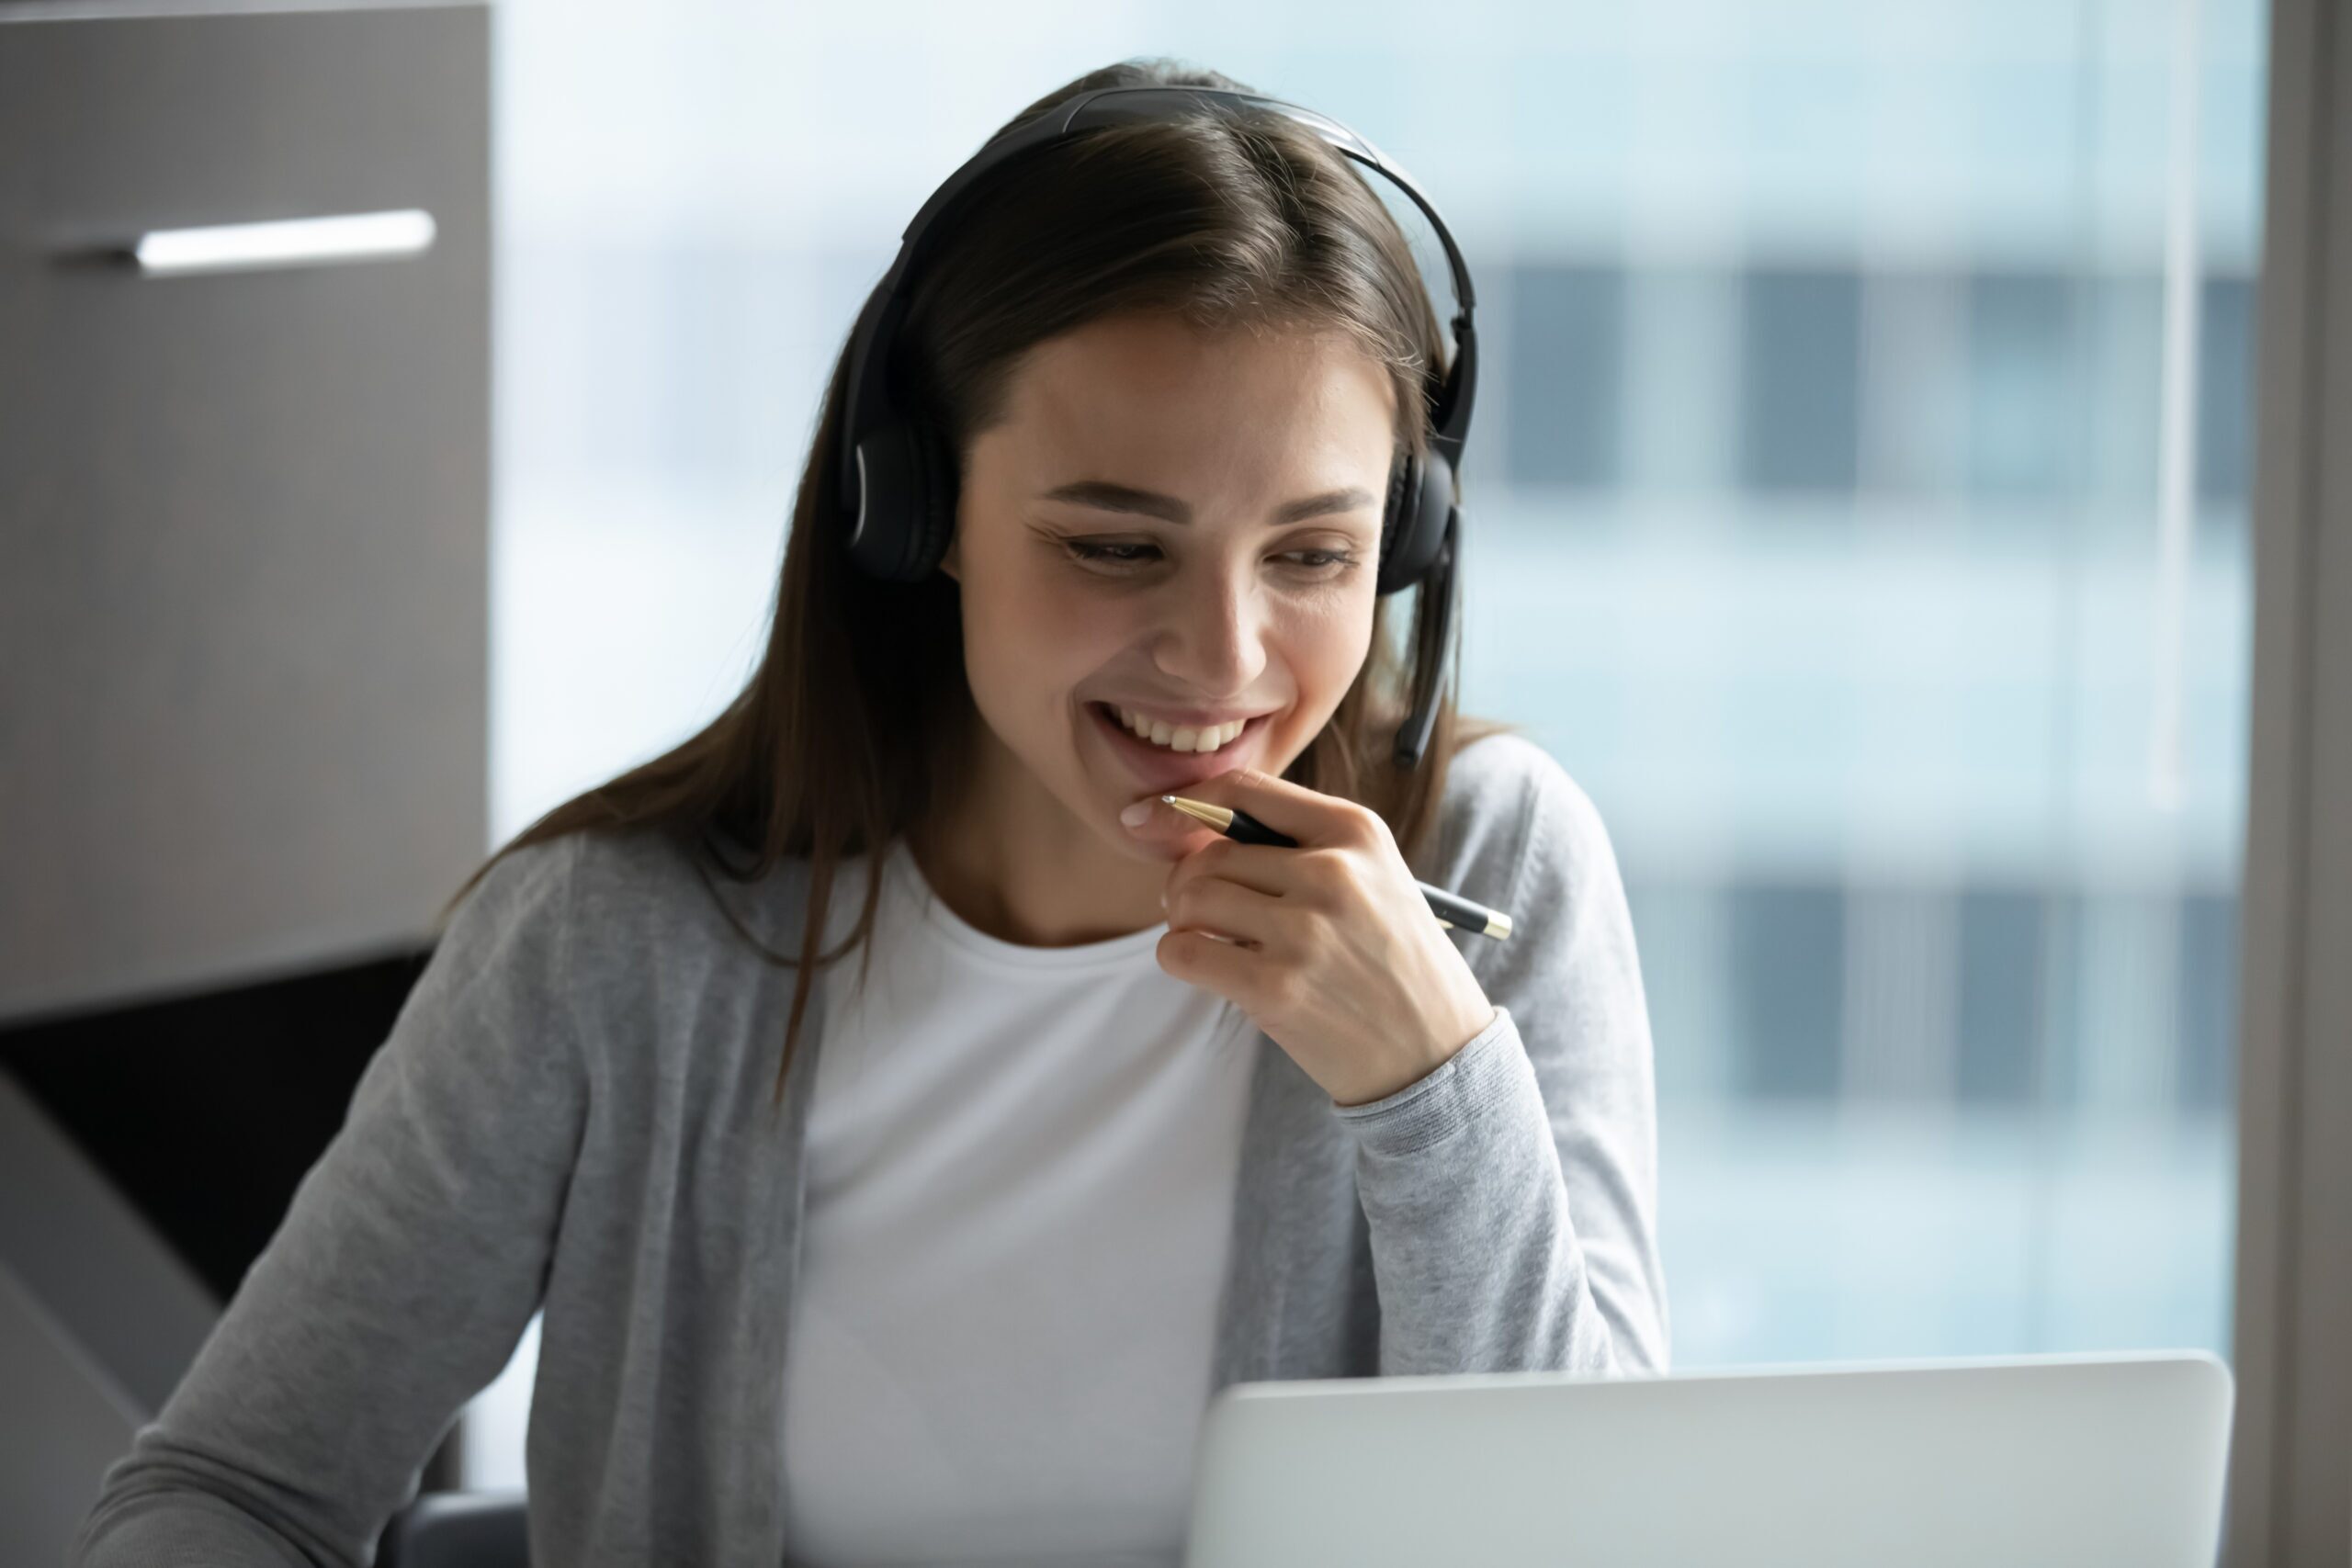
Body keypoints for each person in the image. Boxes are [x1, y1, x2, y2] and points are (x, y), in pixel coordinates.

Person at [72, 55, 1668, 1568]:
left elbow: (1600, 1536)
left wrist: (1433, 1084)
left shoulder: (1491, 864)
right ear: (913, 515)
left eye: (1313, 556)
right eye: (1115, 547)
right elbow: (230, 1491)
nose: (1227, 658)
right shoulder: (612, 945)